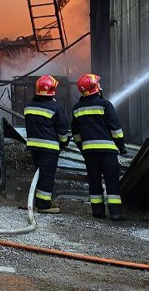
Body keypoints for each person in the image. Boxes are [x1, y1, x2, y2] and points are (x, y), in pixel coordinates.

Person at [71, 73, 127, 221]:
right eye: (98, 84)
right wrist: (121, 146)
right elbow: (115, 129)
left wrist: (83, 149)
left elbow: (76, 134)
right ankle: (115, 213)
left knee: (94, 181)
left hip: (89, 153)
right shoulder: (105, 105)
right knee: (112, 181)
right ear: (95, 88)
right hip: (107, 152)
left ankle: (97, 212)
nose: (100, 86)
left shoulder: (77, 109)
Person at [24, 74, 70, 214]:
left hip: (33, 146)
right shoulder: (55, 107)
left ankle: (37, 201)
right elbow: (62, 129)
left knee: (40, 173)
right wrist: (64, 143)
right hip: (49, 147)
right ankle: (44, 205)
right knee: (47, 175)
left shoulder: (29, 106)